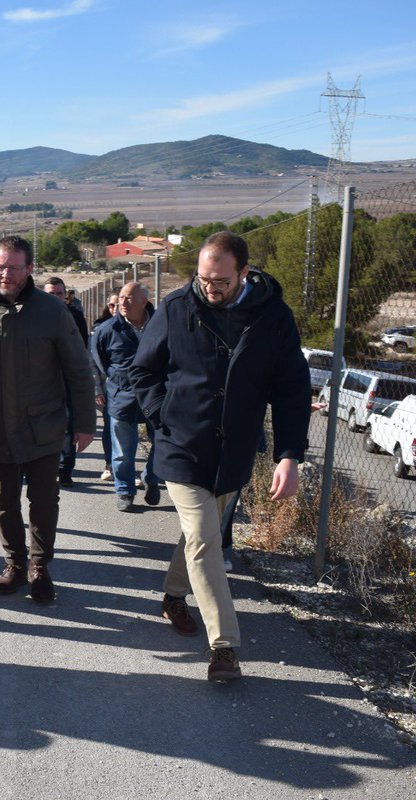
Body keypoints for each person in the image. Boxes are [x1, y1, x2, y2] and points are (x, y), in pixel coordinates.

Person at [129, 231, 310, 681]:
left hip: (235, 450)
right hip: (181, 445)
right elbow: (143, 370)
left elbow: (292, 388)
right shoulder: (176, 308)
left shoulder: (273, 316)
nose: (210, 288)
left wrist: (289, 455)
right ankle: (225, 647)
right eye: (203, 278)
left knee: (201, 534)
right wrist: (162, 415)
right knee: (205, 536)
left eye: (221, 281)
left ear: (244, 273)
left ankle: (173, 596)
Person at [0, 237, 95, 603]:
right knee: (3, 502)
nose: (6, 274)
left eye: (14, 268)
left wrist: (84, 423)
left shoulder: (52, 311)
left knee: (44, 500)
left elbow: (78, 368)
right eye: (0, 267)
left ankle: (39, 565)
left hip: (42, 426)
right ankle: (15, 564)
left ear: (29, 269)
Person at [92, 283, 159, 512]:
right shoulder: (107, 330)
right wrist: (116, 382)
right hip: (121, 397)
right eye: (121, 297)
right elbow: (100, 362)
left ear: (144, 301)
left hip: (155, 396)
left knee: (162, 444)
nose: (122, 302)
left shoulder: (161, 325)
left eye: (129, 298)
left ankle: (151, 478)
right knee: (122, 451)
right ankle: (125, 491)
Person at [43, 276, 88, 487]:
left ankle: (65, 469)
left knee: (68, 425)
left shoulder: (75, 316)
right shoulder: (32, 316)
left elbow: (83, 347)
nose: (54, 297)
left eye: (58, 293)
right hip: (40, 379)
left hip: (67, 378)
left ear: (65, 295)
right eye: (50, 294)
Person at [94, 293, 119, 482]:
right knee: (110, 427)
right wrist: (97, 390)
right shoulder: (100, 329)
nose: (115, 309)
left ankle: (126, 470)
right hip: (108, 388)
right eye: (112, 305)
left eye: (118, 304)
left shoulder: (142, 327)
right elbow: (92, 363)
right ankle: (110, 465)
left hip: (133, 389)